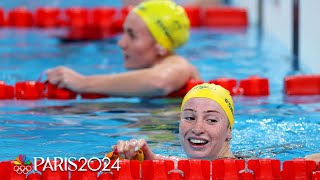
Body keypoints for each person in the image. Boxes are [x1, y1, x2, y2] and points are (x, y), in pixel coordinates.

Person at [46, 0, 200, 97]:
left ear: (161, 46)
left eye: (132, 35)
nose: (121, 43)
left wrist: (83, 83)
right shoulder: (149, 73)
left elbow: (159, 82)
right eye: (124, 33)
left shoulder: (179, 64)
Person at [113, 83, 235, 160]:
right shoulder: (176, 163)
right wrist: (146, 160)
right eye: (189, 118)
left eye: (211, 120)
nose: (197, 129)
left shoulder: (249, 169)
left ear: (229, 130)